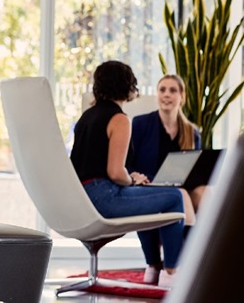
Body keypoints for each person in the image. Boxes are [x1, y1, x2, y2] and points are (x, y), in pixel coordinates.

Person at [70, 60, 186, 287]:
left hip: (79, 197)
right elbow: (115, 172)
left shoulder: (87, 117)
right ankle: (170, 273)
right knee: (174, 197)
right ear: (127, 85)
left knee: (155, 197)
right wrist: (132, 179)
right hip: (103, 197)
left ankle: (153, 269)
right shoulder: (119, 119)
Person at [129, 74, 203, 284]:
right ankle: (171, 267)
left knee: (206, 193)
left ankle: (198, 259)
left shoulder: (192, 131)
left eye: (172, 90)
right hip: (148, 185)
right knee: (180, 197)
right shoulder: (141, 124)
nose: (167, 95)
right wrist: (135, 176)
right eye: (162, 90)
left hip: (180, 184)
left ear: (182, 96)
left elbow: (194, 169)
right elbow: (128, 163)